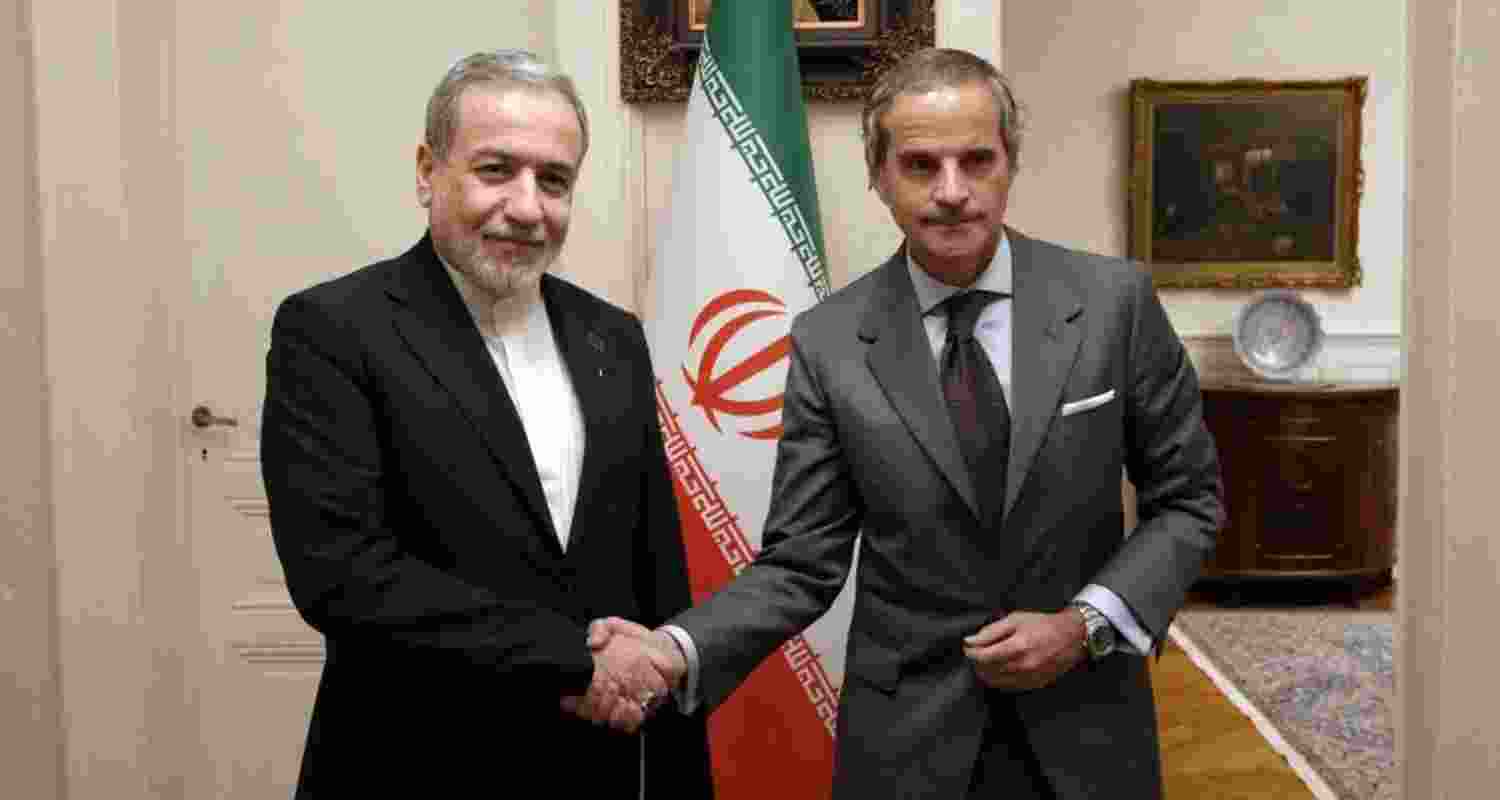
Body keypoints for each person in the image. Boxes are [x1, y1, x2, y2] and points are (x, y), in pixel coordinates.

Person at [586, 48, 1223, 798]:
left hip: (1086, 724)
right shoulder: (830, 342)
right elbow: (803, 561)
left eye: (976, 161)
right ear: (878, 175)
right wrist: (674, 649)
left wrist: (1085, 623)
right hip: (908, 744)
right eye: (921, 166)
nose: (952, 192)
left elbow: (1188, 501)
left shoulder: (1114, 304)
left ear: (1010, 163)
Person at [260, 50, 712, 798]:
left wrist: (669, 747)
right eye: (496, 170)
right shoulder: (335, 330)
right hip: (412, 762)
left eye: (554, 180)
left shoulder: (613, 338)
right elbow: (341, 574)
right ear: (426, 171)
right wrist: (574, 659)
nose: (529, 207)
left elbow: (653, 568)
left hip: (592, 763)